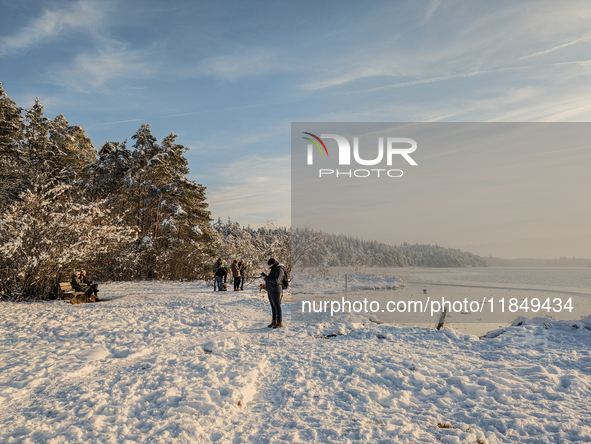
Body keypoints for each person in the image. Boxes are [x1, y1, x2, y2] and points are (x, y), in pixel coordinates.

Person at [261, 258, 284, 328]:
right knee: (273, 306)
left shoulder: (279, 269)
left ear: (273, 263)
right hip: (271, 290)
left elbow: (276, 280)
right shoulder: (274, 269)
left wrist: (266, 278)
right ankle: (274, 321)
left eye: (270, 265)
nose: (269, 266)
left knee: (277, 306)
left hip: (276, 290)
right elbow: (272, 278)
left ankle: (279, 322)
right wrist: (266, 277)